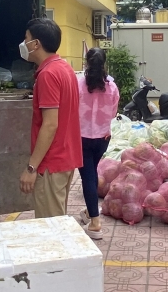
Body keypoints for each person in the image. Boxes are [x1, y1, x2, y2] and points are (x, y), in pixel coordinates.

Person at [18, 18, 82, 218]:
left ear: (36, 44)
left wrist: (31, 168)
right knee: (59, 222)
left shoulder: (48, 75)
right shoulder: (64, 68)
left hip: (51, 163)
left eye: (26, 38)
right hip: (66, 158)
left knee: (51, 228)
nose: (23, 43)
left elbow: (50, 125)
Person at [75, 48, 119, 240]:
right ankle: (89, 212)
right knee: (91, 174)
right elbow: (112, 113)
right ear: (104, 63)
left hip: (82, 137)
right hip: (102, 138)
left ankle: (95, 223)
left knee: (88, 178)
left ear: (86, 62)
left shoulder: (78, 83)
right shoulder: (112, 87)